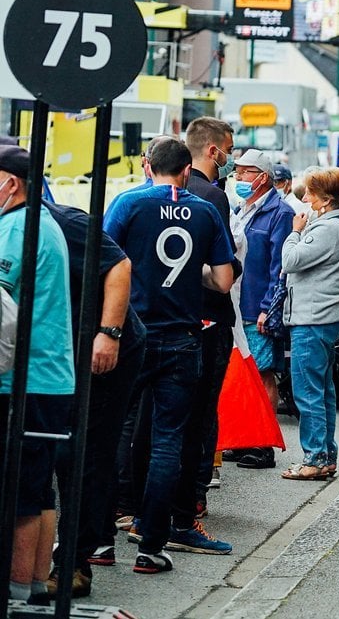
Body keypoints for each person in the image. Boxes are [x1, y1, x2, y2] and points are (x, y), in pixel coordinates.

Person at [104, 137, 234, 574]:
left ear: (147, 165)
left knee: (113, 431)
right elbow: (223, 281)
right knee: (168, 441)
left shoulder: (128, 204)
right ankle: (152, 546)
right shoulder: (206, 210)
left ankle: (100, 541)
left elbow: (103, 263)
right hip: (182, 337)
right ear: (185, 171)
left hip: (132, 333)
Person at [43, 196, 145, 598]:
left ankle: (75, 563)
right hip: (60, 350)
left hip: (104, 349)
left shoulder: (60, 221)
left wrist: (110, 333)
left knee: (82, 455)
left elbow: (119, 264)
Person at [0, 146, 75, 603]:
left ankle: (13, 590)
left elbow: (0, 311)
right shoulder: (43, 221)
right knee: (38, 485)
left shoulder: (14, 229)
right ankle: (31, 583)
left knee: (20, 487)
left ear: (10, 183)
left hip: (25, 378)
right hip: (51, 378)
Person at [279, 168, 339, 481]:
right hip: (326, 315)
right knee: (322, 390)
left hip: (313, 317)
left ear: (325, 199)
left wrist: (295, 232)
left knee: (308, 391)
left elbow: (290, 261)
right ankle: (325, 455)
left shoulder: (325, 229)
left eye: (310, 194)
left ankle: (314, 458)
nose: (305, 199)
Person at [183, 117, 243, 514]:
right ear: (212, 150)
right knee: (204, 409)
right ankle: (195, 495)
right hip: (209, 316)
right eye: (228, 149)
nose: (230, 158)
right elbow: (222, 267)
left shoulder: (156, 193)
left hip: (171, 317)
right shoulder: (212, 196)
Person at [230, 149, 294, 470]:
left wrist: (269, 306)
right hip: (239, 304)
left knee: (263, 373)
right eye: (237, 172)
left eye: (244, 172)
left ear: (262, 177)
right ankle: (245, 439)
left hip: (259, 307)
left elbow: (279, 266)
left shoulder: (278, 213)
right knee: (245, 374)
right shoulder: (242, 209)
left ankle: (263, 443)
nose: (238, 178)